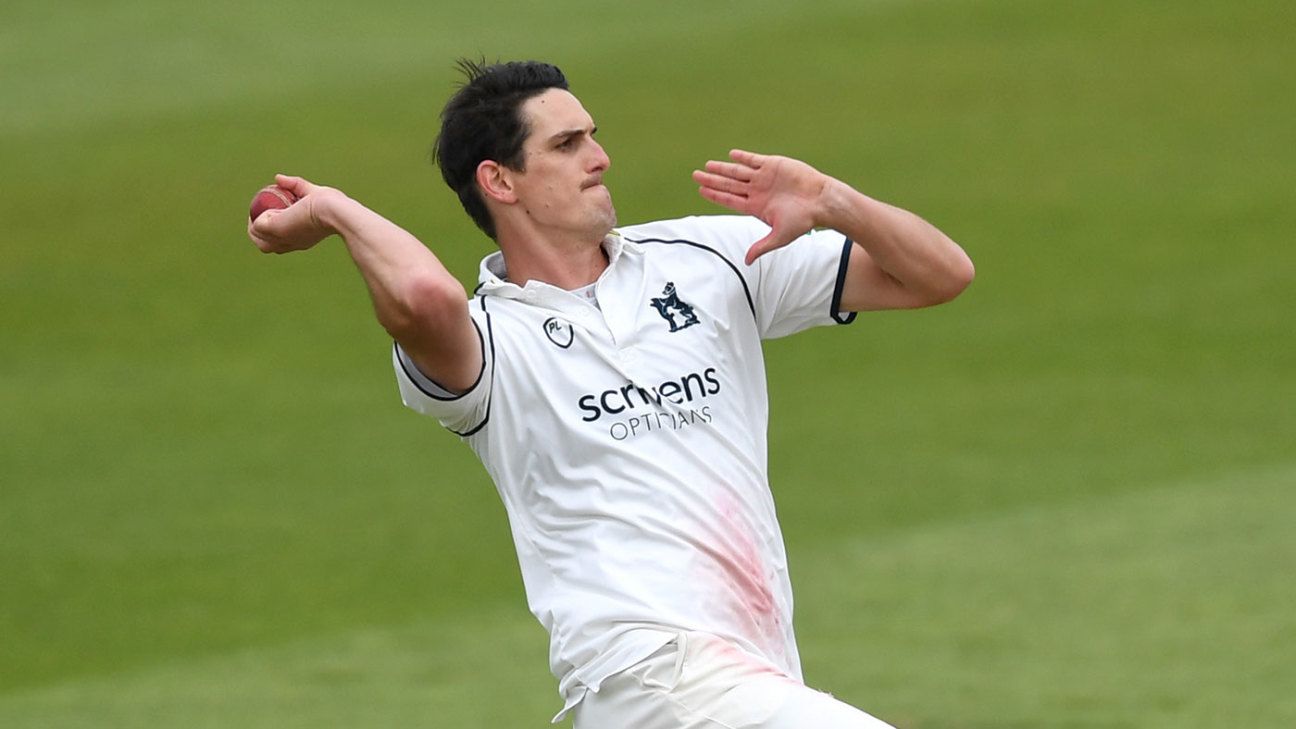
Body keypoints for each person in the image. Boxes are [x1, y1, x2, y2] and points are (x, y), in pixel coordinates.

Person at [247, 59, 973, 729]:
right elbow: (425, 296)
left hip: (745, 671)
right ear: (499, 181)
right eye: (567, 145)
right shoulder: (487, 343)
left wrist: (833, 201)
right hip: (647, 674)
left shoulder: (707, 258)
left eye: (592, 136)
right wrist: (335, 212)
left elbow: (940, 276)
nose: (600, 158)